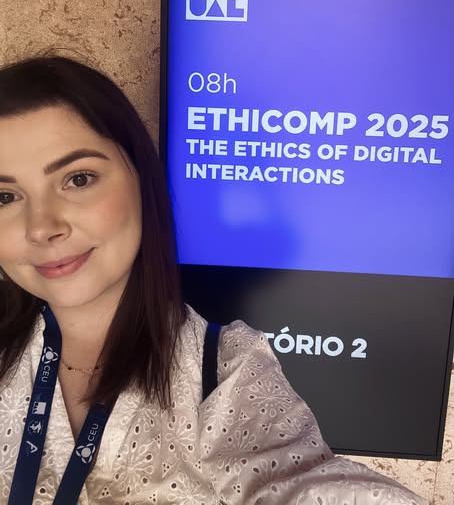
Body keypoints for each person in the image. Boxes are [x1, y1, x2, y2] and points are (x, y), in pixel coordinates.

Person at [0, 55, 428, 505]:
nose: (42, 227)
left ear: (141, 178)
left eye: (78, 178)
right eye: (5, 196)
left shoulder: (225, 372)